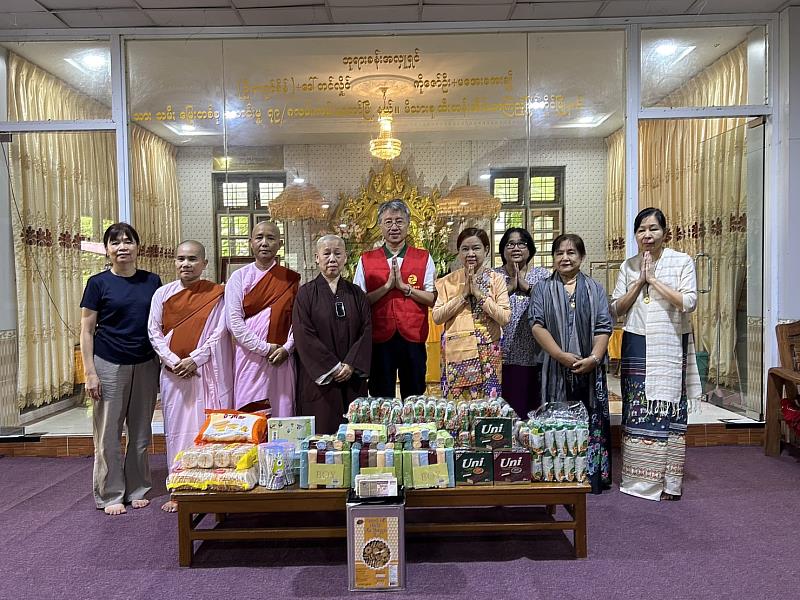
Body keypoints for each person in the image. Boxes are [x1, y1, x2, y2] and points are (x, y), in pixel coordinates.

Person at [611, 207, 701, 501]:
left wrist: (655, 281)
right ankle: (639, 481)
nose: (647, 235)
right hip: (637, 339)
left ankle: (669, 483)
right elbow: (616, 309)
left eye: (653, 229)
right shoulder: (629, 265)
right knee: (638, 407)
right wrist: (639, 281)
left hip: (671, 342)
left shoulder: (682, 261)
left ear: (665, 233)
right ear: (635, 235)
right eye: (641, 230)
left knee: (669, 407)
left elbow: (688, 302)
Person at [79, 223, 162, 516]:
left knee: (140, 432)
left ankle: (138, 487)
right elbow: (87, 331)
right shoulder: (97, 283)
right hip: (108, 362)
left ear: (138, 247)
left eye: (128, 241)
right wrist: (89, 372)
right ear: (107, 250)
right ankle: (111, 492)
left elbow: (159, 324)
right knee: (108, 433)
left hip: (145, 363)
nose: (122, 247)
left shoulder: (152, 282)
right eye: (115, 243)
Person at [148, 240, 233, 512]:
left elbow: (219, 332)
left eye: (193, 259)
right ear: (174, 261)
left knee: (206, 427)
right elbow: (154, 332)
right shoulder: (162, 294)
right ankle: (180, 487)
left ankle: (211, 484)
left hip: (205, 372)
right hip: (174, 375)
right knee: (177, 430)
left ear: (204, 264)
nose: (186, 264)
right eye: (181, 258)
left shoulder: (217, 294)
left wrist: (194, 359)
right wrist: (174, 361)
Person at [530, 233, 612, 494]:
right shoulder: (543, 288)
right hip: (554, 366)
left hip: (590, 367)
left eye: (571, 252)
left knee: (591, 418)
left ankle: (592, 474)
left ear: (582, 257)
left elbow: (603, 326)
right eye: (559, 253)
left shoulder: (594, 288)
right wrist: (559, 355)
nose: (565, 257)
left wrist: (595, 358)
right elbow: (537, 324)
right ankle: (556, 474)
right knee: (555, 420)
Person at [354, 199, 436, 398]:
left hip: (413, 336)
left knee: (414, 393)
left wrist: (405, 288)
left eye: (399, 221)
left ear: (408, 224)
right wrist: (387, 287)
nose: (394, 227)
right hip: (379, 338)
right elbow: (359, 302)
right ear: (380, 226)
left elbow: (432, 298)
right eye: (388, 222)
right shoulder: (366, 259)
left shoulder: (423, 257)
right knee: (381, 394)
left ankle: (415, 429)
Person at [293, 235, 372, 434]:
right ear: (316, 258)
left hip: (352, 377)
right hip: (320, 380)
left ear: (345, 257)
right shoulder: (306, 294)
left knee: (355, 435)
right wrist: (334, 367)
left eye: (337, 253)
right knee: (323, 435)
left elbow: (366, 330)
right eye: (326, 253)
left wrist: (351, 364)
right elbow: (304, 335)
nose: (332, 259)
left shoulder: (357, 294)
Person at [225, 221, 300, 416]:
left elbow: (298, 322)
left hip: (281, 358)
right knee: (251, 415)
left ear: (280, 244)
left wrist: (287, 348)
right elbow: (234, 322)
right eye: (259, 238)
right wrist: (264, 348)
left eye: (271, 238)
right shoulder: (239, 277)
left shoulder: (291, 279)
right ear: (251, 242)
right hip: (249, 358)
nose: (264, 243)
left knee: (282, 413)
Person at [432, 227, 510, 401]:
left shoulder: (496, 279)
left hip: (488, 351)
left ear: (486, 250)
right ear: (459, 252)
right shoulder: (448, 281)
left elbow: (505, 318)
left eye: (476, 248)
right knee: (458, 407)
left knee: (487, 406)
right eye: (465, 249)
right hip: (457, 350)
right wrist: (463, 295)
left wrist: (478, 294)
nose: (470, 253)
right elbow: (437, 317)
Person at [492, 227, 551, 418]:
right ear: (502, 249)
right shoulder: (494, 276)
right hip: (499, 353)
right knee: (502, 409)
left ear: (530, 249)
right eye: (510, 244)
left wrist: (525, 287)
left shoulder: (541, 276)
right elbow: (485, 305)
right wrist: (509, 288)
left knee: (529, 408)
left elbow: (550, 303)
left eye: (521, 243)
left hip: (532, 353)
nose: (516, 248)